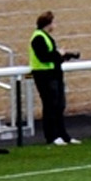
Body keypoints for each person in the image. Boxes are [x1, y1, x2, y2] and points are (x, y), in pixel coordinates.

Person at [29, 12, 77, 146]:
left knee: (59, 105)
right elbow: (44, 57)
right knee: (51, 105)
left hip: (54, 74)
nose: (55, 25)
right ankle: (52, 136)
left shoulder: (45, 37)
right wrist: (58, 54)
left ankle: (63, 135)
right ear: (48, 24)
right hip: (44, 75)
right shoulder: (38, 37)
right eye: (53, 22)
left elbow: (52, 56)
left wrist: (65, 56)